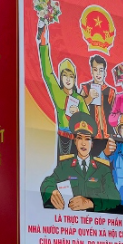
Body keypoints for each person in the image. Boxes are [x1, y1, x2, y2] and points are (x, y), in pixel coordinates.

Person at [40, 112, 121, 213]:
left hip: (95, 224)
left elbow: (115, 197)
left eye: (87, 139)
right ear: (75, 141)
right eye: (79, 138)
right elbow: (47, 182)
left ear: (92, 144)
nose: (83, 143)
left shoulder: (103, 169)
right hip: (69, 224)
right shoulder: (65, 166)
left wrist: (90, 202)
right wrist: (52, 192)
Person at [38, 20, 89, 158]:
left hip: (79, 140)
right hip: (63, 138)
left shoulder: (79, 99)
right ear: (60, 79)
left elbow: (89, 122)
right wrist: (43, 43)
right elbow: (48, 73)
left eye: (70, 76)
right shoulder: (58, 93)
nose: (67, 79)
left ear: (74, 79)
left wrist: (78, 114)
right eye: (64, 76)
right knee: (63, 173)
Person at [78, 55, 117, 157]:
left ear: (105, 72)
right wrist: (89, 98)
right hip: (90, 136)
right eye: (95, 70)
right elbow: (78, 109)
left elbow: (116, 114)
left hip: (108, 137)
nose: (98, 73)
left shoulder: (111, 92)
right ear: (91, 71)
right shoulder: (86, 88)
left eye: (101, 70)